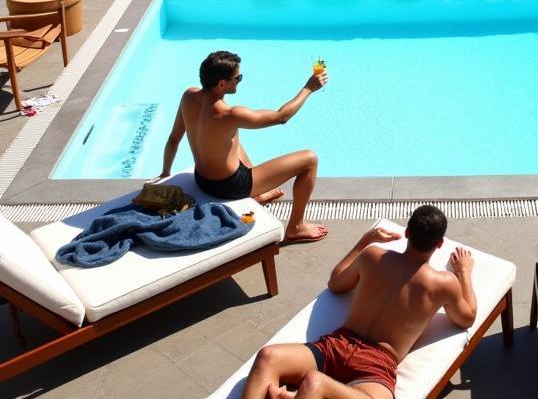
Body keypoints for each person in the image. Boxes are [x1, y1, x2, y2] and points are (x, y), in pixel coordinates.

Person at [243, 205, 477, 399]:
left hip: (338, 347)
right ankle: (312, 392)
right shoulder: (443, 284)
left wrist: (365, 240)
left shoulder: (372, 256)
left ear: (407, 233)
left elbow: (336, 282)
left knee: (279, 363)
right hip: (374, 365)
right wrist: (464, 272)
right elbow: (466, 317)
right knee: (299, 374)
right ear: (439, 244)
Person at [158, 50, 328, 244]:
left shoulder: (188, 96)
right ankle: (296, 227)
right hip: (231, 187)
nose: (239, 81)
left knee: (230, 135)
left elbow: (173, 139)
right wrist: (308, 88)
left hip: (201, 180)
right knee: (309, 159)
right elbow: (282, 117)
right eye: (237, 78)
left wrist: (165, 173)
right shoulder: (230, 114)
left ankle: (260, 194)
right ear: (222, 83)